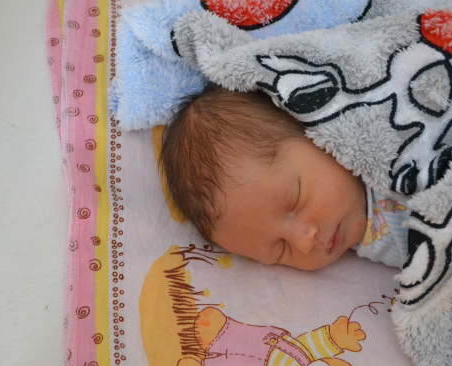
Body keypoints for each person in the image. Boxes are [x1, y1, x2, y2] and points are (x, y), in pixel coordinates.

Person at [160, 84, 410, 271]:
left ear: (310, 128)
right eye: (280, 250)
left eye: (295, 201)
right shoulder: (359, 233)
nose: (304, 242)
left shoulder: (393, 133)